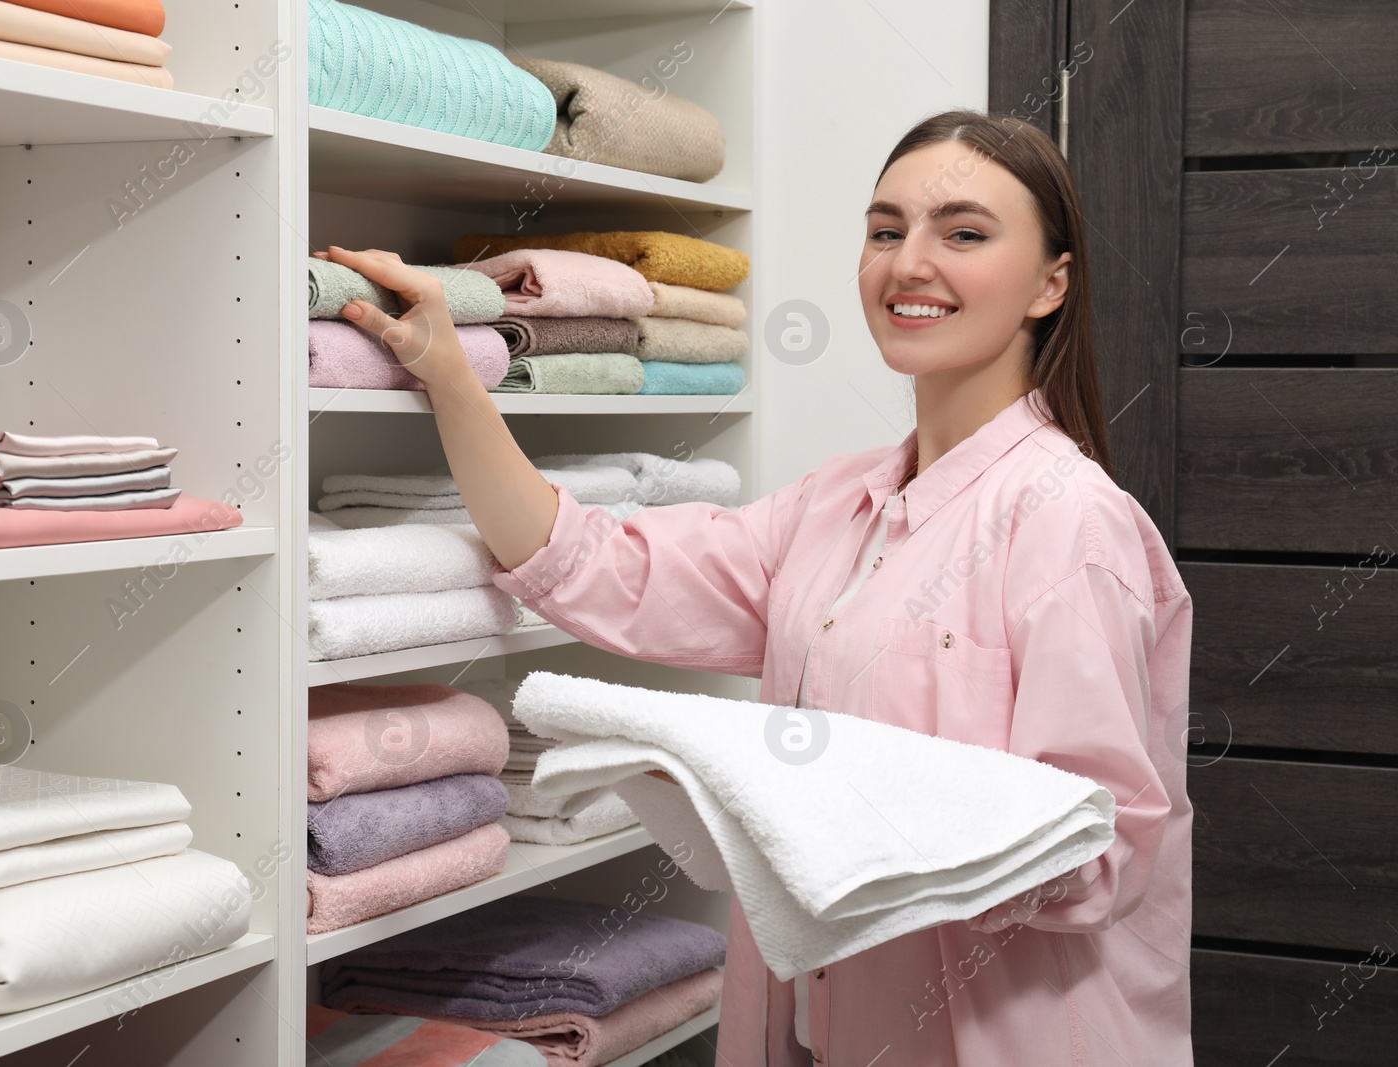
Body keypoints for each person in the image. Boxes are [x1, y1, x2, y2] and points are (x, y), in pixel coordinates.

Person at [322, 108, 1193, 1067]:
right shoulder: (834, 506)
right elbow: (597, 567)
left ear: (1050, 283)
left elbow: (1100, 854)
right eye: (886, 230)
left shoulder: (1072, 524)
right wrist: (449, 372)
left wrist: (832, 804)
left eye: (965, 234)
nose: (910, 264)